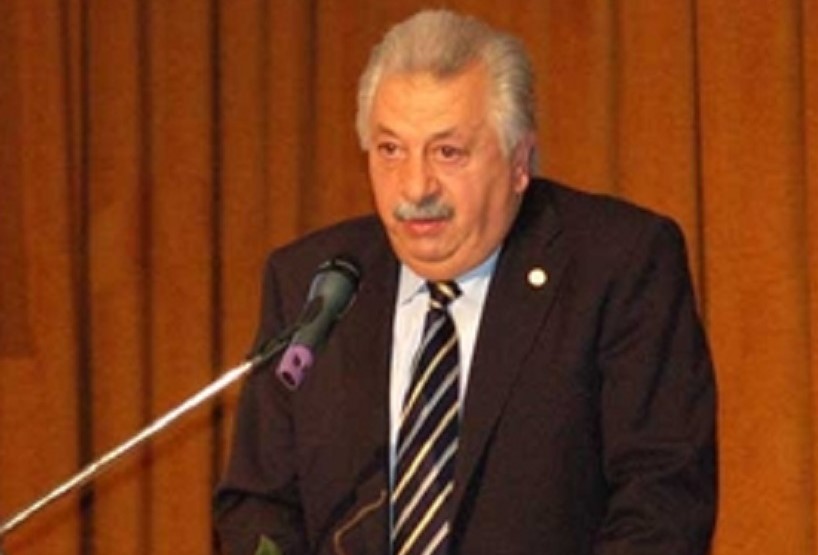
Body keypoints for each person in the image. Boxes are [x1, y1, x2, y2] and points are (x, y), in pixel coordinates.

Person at [214, 8, 717, 555]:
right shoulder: (316, 283)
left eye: (448, 152)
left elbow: (663, 502)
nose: (415, 187)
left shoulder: (618, 265)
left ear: (519, 162)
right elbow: (257, 505)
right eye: (390, 150)